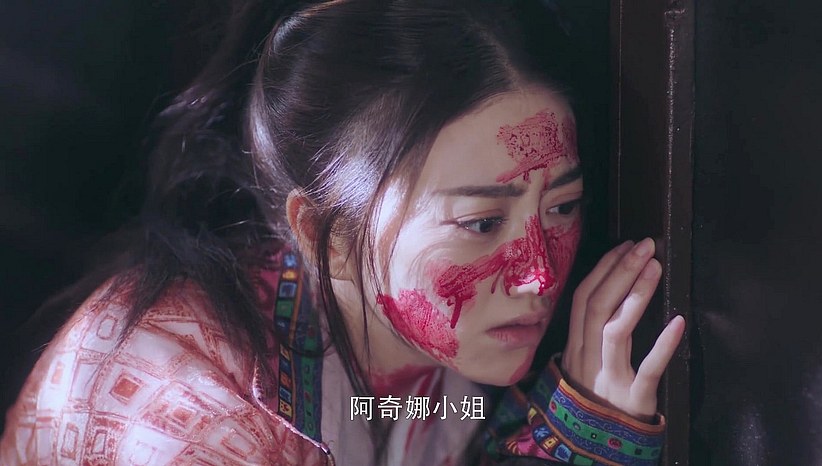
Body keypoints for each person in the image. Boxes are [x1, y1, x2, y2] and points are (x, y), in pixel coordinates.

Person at [0, 0, 685, 464]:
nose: (539, 272)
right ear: (327, 234)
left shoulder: (419, 361)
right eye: (481, 222)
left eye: (563, 207)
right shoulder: (189, 423)